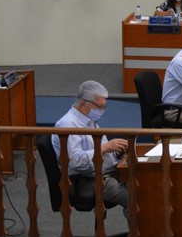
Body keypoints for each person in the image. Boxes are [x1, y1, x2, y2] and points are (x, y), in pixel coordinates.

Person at [52, 80, 130, 208]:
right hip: (85, 181)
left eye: (104, 107)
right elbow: (75, 162)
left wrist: (116, 152)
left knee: (143, 183)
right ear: (84, 103)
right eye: (100, 107)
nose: (102, 111)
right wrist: (105, 148)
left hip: (101, 172)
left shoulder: (89, 120)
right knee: (135, 199)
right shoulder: (68, 125)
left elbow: (100, 150)